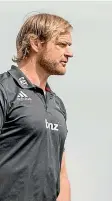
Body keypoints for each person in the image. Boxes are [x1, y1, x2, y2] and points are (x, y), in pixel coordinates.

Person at [0, 13, 73, 201]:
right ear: (36, 43)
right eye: (61, 44)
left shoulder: (56, 103)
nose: (69, 53)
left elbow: (61, 174)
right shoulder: (5, 89)